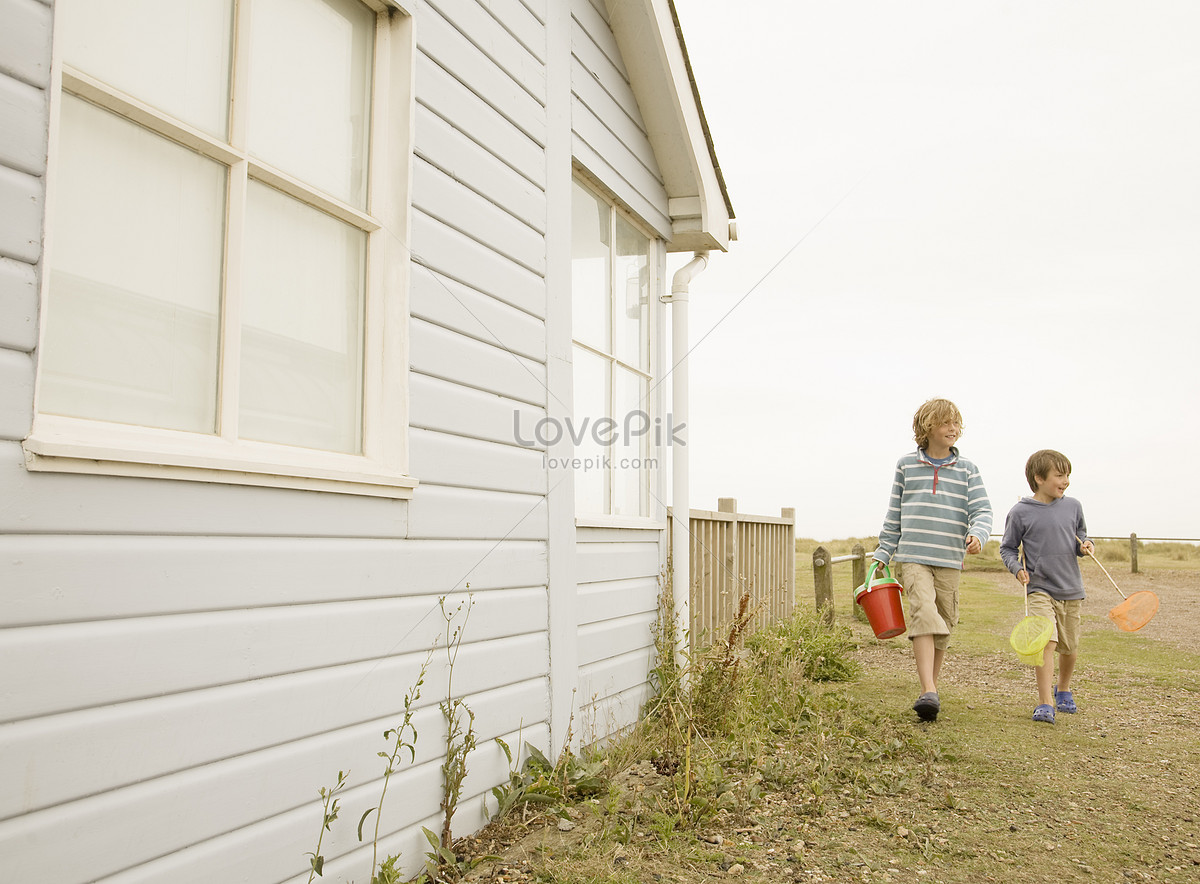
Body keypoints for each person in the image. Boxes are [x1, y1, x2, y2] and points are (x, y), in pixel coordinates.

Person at [872, 399, 993, 722]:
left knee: (944, 622)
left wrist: (978, 534)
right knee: (924, 612)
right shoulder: (906, 466)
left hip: (950, 559)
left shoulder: (968, 470)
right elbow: (894, 514)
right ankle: (928, 688)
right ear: (927, 428)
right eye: (945, 423)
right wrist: (883, 553)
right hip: (913, 557)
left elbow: (982, 510)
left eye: (956, 423)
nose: (953, 429)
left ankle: (931, 689)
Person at [999, 449, 1093, 724]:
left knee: (1069, 646)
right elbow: (1007, 548)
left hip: (1071, 587)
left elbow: (1081, 536)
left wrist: (1087, 546)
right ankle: (1045, 703)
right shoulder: (1020, 512)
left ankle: (1063, 688)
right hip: (1039, 587)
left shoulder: (1073, 506)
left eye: (1068, 476)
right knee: (1046, 642)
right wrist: (1017, 569)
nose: (1065, 481)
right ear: (1039, 478)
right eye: (1059, 475)